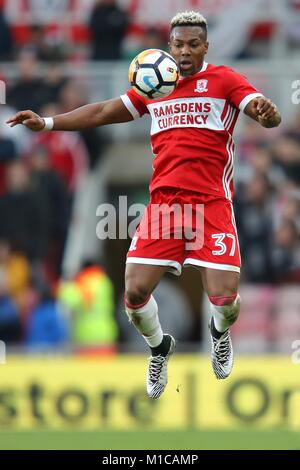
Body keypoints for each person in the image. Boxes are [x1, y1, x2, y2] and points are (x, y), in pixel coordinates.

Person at [7, 11, 281, 400]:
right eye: (178, 44)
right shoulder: (156, 84)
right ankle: (159, 347)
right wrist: (48, 123)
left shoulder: (223, 81)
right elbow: (102, 112)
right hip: (164, 208)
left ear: (206, 46)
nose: (184, 51)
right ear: (170, 46)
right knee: (134, 295)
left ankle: (219, 334)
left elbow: (258, 107)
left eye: (193, 44)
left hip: (211, 205)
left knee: (224, 299)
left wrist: (267, 114)